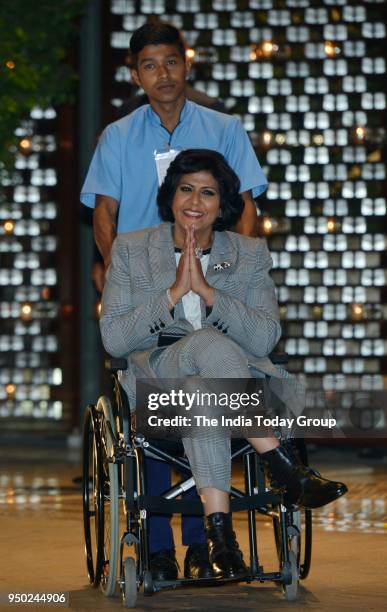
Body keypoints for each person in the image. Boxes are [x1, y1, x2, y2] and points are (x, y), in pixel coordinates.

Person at [100, 149, 348, 579]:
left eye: (208, 192)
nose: (195, 201)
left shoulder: (249, 254)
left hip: (214, 398)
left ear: (223, 203)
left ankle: (221, 540)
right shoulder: (131, 250)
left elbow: (265, 337)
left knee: (203, 391)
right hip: (157, 392)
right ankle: (281, 465)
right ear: (172, 195)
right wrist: (174, 293)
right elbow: (115, 338)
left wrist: (212, 294)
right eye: (186, 189)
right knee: (206, 345)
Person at [81, 21, 268, 580]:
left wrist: (232, 276)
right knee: (155, 419)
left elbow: (249, 208)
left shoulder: (224, 127)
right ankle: (161, 545)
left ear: (187, 64)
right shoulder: (118, 137)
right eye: (149, 65)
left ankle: (200, 543)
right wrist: (121, 280)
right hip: (147, 290)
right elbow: (105, 216)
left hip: (210, 283)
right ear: (135, 73)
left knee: (197, 392)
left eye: (170, 62)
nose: (162, 74)